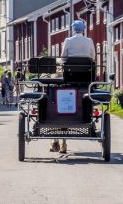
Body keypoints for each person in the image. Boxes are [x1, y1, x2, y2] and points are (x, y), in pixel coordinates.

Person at [51, 19, 96, 154]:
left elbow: (64, 57)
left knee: (57, 79)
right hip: (86, 78)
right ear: (83, 29)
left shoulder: (68, 41)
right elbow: (92, 57)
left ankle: (57, 140)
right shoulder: (89, 41)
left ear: (73, 29)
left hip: (70, 77)